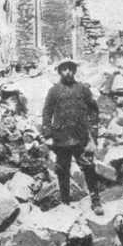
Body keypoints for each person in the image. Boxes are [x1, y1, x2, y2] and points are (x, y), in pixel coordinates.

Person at [41, 58, 102, 215]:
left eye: (70, 69)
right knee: (62, 170)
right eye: (64, 69)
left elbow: (93, 110)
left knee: (88, 167)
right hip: (61, 137)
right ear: (59, 71)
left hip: (80, 136)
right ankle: (65, 201)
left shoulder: (82, 89)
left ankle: (96, 202)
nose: (67, 72)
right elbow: (47, 112)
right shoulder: (54, 91)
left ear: (74, 71)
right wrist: (47, 132)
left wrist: (93, 132)